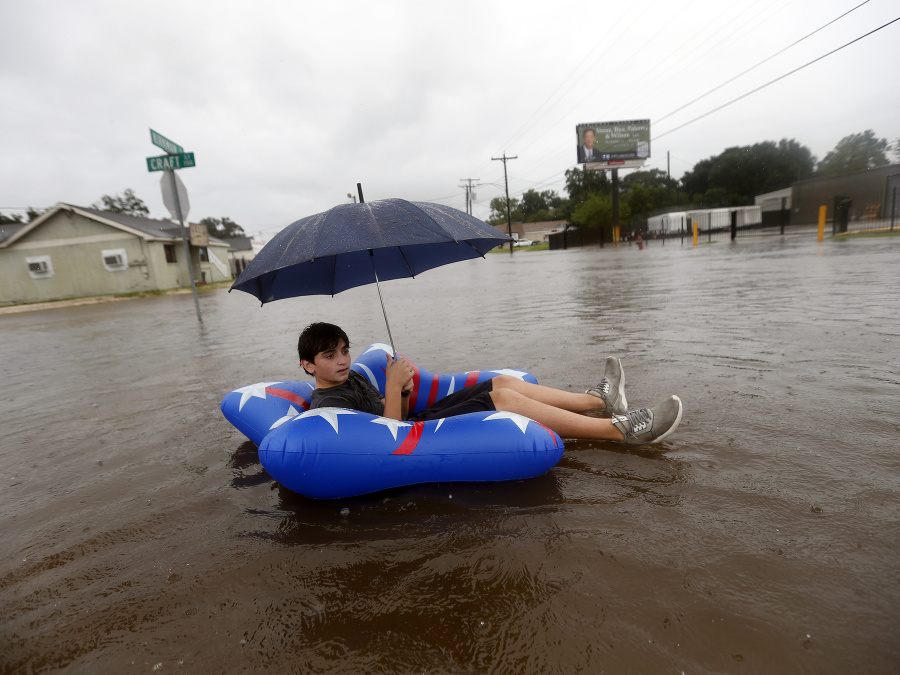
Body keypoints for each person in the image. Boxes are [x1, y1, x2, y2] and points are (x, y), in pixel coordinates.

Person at [297, 322, 682, 445]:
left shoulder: (352, 378)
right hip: (410, 437)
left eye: (344, 350)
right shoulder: (326, 408)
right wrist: (395, 388)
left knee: (500, 384)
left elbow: (390, 411)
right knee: (504, 402)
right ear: (308, 366)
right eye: (330, 355)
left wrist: (406, 390)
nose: (342, 360)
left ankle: (598, 400)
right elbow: (388, 435)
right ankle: (619, 431)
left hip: (415, 419)